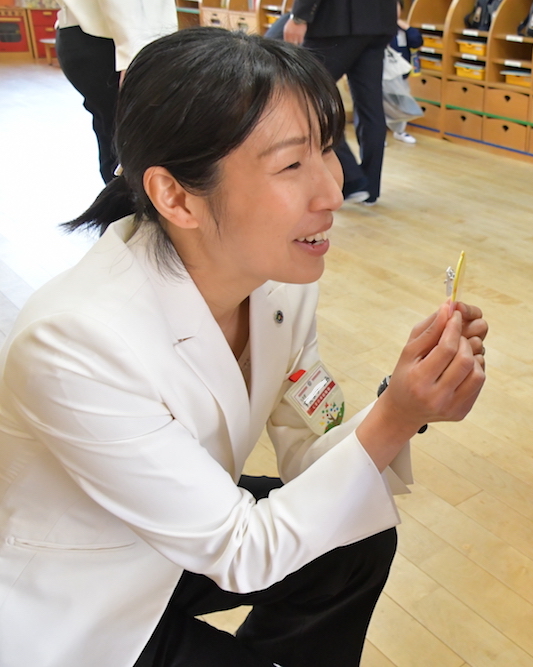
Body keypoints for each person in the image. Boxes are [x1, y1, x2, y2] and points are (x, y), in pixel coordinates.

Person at [0, 28, 487, 667]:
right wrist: (397, 416)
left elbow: (311, 451)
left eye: (327, 149)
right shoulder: (75, 343)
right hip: (80, 602)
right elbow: (240, 551)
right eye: (291, 165)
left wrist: (402, 403)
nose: (332, 190)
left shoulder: (276, 286)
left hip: (183, 538)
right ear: (176, 196)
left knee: (357, 537)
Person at [284, 0, 396, 205]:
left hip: (337, 21)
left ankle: (352, 179)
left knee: (304, 93)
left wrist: (299, 16)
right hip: (380, 19)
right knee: (370, 105)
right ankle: (370, 187)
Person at [55, 0, 177, 184]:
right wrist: (133, 60)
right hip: (115, 44)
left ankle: (119, 197)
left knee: (114, 139)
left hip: (92, 38)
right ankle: (125, 199)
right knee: (134, 148)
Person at [386, 0, 423, 144]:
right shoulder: (381, 27)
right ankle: (378, 135)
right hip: (384, 75)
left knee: (402, 102)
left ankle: (400, 131)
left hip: (401, 74)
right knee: (381, 104)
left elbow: (417, 41)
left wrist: (407, 28)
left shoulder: (402, 29)